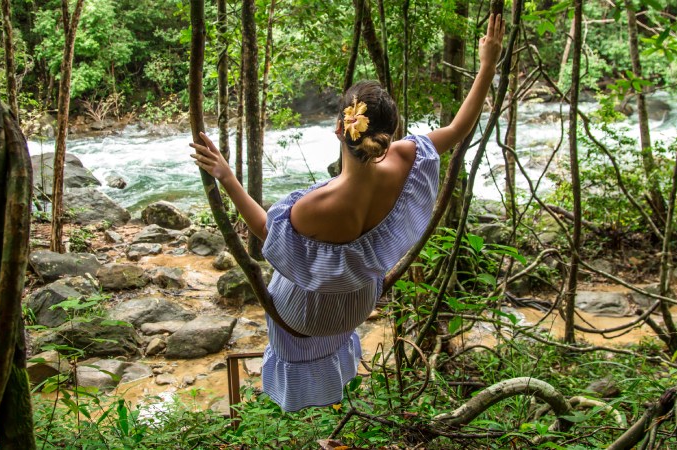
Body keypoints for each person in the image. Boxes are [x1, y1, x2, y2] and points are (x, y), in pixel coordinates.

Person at [189, 13, 505, 412]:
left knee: (287, 273)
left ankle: (296, 388)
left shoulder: (316, 207)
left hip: (302, 322)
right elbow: (459, 128)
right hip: (356, 309)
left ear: (339, 129)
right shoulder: (409, 157)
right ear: (391, 135)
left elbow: (267, 230)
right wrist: (488, 65)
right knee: (312, 263)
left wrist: (226, 176)